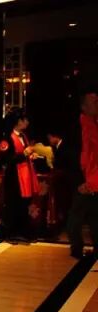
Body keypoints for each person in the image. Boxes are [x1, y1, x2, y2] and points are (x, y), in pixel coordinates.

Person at [0, 108, 39, 242]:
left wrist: (30, 155)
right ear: (17, 122)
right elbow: (6, 159)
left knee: (24, 205)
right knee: (13, 204)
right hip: (14, 178)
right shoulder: (7, 138)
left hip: (25, 176)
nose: (27, 122)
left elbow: (24, 154)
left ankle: (23, 232)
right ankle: (11, 233)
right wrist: (24, 154)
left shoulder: (24, 136)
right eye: (24, 120)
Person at [67, 89, 98, 258]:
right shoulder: (77, 128)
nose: (97, 105)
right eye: (94, 102)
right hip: (83, 180)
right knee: (77, 217)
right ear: (84, 107)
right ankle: (76, 247)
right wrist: (80, 181)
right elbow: (71, 156)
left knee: (95, 216)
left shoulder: (95, 124)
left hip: (95, 180)